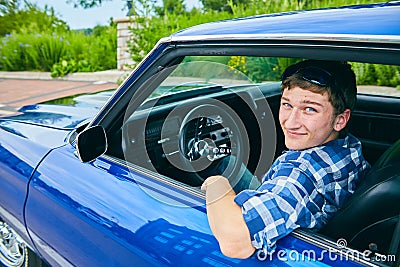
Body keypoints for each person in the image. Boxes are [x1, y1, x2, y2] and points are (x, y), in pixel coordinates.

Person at [201, 60, 371, 259]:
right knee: (228, 162)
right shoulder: (348, 147)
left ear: (340, 119)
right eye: (287, 105)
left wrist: (216, 183)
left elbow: (235, 241)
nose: (290, 122)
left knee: (221, 169)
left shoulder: (301, 172)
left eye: (310, 109)